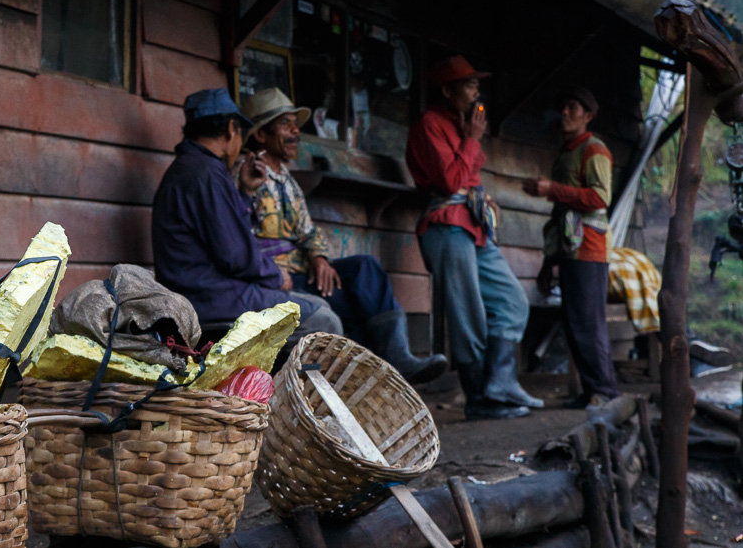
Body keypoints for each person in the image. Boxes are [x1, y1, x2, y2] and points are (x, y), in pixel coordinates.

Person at [237, 87, 448, 384]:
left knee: (365, 268)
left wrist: (320, 258)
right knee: (356, 303)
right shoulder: (244, 173)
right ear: (261, 135)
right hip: (276, 280)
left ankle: (397, 358)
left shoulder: (287, 179)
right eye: (286, 124)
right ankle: (379, 377)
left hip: (304, 271)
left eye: (295, 125)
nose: (296, 132)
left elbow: (308, 231)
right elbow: (235, 238)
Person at [406, 56, 542, 420]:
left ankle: (500, 383)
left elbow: (467, 179)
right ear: (448, 91)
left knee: (513, 301)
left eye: (477, 84)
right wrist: (471, 141)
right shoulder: (430, 124)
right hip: (446, 227)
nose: (476, 90)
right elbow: (450, 182)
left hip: (474, 226)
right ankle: (479, 399)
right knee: (468, 316)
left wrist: (481, 195)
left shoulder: (462, 124)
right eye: (469, 85)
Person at [151, 87, 342, 343]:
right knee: (323, 318)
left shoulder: (188, 169)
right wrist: (276, 276)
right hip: (212, 299)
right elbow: (236, 255)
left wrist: (245, 192)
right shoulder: (207, 173)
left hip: (206, 294)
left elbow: (225, 236)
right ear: (232, 129)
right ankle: (287, 383)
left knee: (315, 306)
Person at [523, 86, 620, 408]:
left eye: (573, 108)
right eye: (563, 107)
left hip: (589, 248)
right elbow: (559, 214)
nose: (565, 113)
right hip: (568, 247)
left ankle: (604, 392)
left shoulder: (594, 150)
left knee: (588, 323)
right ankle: (592, 390)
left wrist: (553, 189)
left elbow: (599, 198)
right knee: (576, 322)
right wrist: (548, 261)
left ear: (588, 117)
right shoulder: (566, 153)